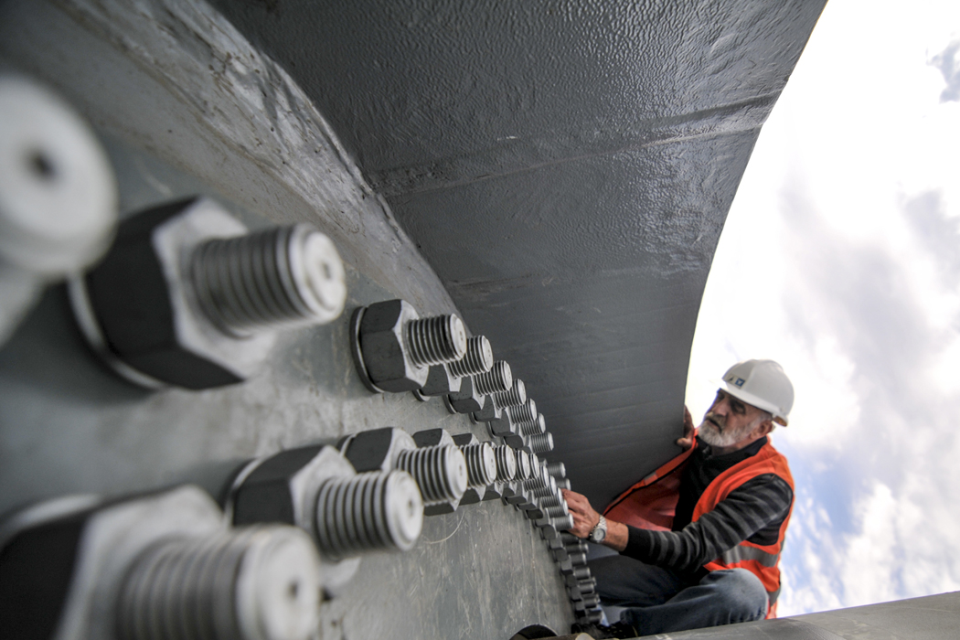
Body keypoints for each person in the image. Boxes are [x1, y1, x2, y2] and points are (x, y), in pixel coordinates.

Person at [563, 359, 795, 639]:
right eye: (722, 396)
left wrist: (600, 528)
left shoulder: (770, 486)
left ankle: (625, 633)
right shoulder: (709, 443)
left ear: (762, 429)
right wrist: (677, 437)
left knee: (745, 592)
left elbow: (694, 547)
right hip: (680, 574)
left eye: (737, 408)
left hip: (727, 608)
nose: (718, 409)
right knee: (575, 579)